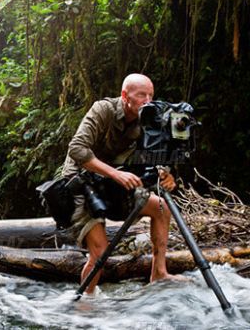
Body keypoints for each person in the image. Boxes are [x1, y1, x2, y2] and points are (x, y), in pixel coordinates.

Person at [62, 73, 185, 294]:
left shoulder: (147, 119)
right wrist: (114, 174)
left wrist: (165, 174)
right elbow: (77, 148)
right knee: (100, 251)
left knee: (161, 208)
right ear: (125, 96)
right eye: (141, 95)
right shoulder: (104, 110)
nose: (147, 101)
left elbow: (151, 156)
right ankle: (86, 304)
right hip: (80, 183)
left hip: (112, 183)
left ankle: (159, 273)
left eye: (151, 95)